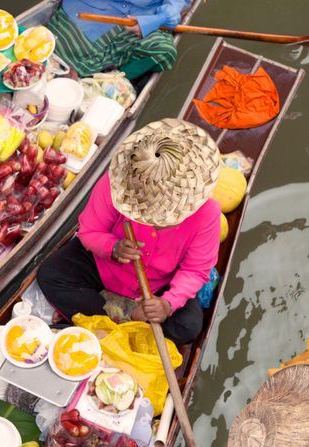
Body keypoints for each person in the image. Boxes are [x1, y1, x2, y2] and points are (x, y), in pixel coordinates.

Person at [37, 118, 221, 344]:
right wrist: (112, 248)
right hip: (106, 269)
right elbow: (89, 232)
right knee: (50, 275)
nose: (161, 224)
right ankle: (126, 317)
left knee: (188, 327)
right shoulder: (118, 184)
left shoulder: (208, 213)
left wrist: (167, 304)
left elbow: (196, 269)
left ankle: (109, 318)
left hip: (158, 286)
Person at [47, 0, 189, 80]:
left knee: (164, 50)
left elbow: (176, 5)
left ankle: (111, 83)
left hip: (140, 17)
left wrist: (161, 17)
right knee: (56, 48)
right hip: (91, 8)